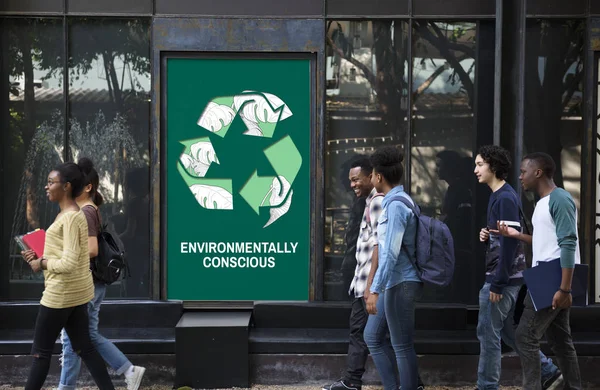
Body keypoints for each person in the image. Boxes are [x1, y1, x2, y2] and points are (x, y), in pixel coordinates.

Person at [21, 162, 114, 390]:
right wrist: (39, 254)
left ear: (67, 186)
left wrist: (41, 263)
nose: (46, 187)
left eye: (51, 182)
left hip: (60, 296)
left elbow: (70, 262)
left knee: (40, 355)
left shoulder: (72, 217)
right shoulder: (68, 214)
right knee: (86, 348)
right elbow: (69, 253)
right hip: (75, 295)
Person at [474, 146, 561, 390]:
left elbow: (511, 244)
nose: (476, 170)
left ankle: (487, 386)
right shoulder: (500, 195)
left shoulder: (504, 198)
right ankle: (549, 372)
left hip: (502, 279)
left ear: (493, 166)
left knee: (487, 335)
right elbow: (504, 236)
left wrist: (498, 282)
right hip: (504, 277)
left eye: (480, 164)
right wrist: (487, 234)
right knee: (504, 332)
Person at [57, 158, 146, 390]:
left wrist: (62, 255)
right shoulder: (90, 209)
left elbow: (93, 249)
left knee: (71, 339)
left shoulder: (86, 212)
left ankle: (65, 387)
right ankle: (129, 370)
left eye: (73, 184)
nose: (69, 188)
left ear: (87, 187)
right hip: (94, 283)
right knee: (88, 335)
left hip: (86, 283)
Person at [497, 152, 582, 390]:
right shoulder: (543, 203)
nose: (520, 177)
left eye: (524, 172)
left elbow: (568, 243)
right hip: (548, 275)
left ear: (538, 172)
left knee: (525, 336)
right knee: (560, 340)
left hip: (553, 276)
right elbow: (547, 240)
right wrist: (515, 235)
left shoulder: (560, 199)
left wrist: (564, 289)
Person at [364, 146, 422, 390]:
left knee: (402, 345)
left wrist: (374, 290)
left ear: (379, 177)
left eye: (372, 174)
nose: (371, 179)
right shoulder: (398, 200)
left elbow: (389, 254)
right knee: (372, 336)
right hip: (395, 281)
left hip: (401, 282)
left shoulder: (396, 206)